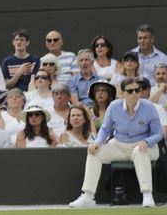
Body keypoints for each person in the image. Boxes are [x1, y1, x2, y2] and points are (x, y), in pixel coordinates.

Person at [69, 77, 163, 208]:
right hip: (119, 146)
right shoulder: (114, 106)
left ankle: (147, 195)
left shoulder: (149, 107)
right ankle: (88, 196)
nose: (134, 94)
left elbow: (158, 133)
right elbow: (105, 129)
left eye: (137, 90)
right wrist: (98, 142)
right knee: (94, 152)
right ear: (123, 93)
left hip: (146, 147)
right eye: (130, 91)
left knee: (140, 151)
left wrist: (146, 141)